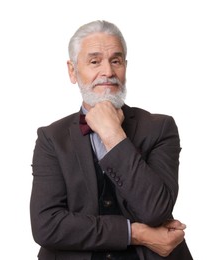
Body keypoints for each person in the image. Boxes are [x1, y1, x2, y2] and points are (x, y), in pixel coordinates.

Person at [30, 20, 193, 260]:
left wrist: (113, 136)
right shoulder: (51, 138)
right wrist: (134, 232)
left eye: (115, 61)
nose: (107, 72)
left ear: (125, 66)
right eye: (95, 61)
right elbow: (47, 225)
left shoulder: (160, 127)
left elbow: (156, 211)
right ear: (73, 71)